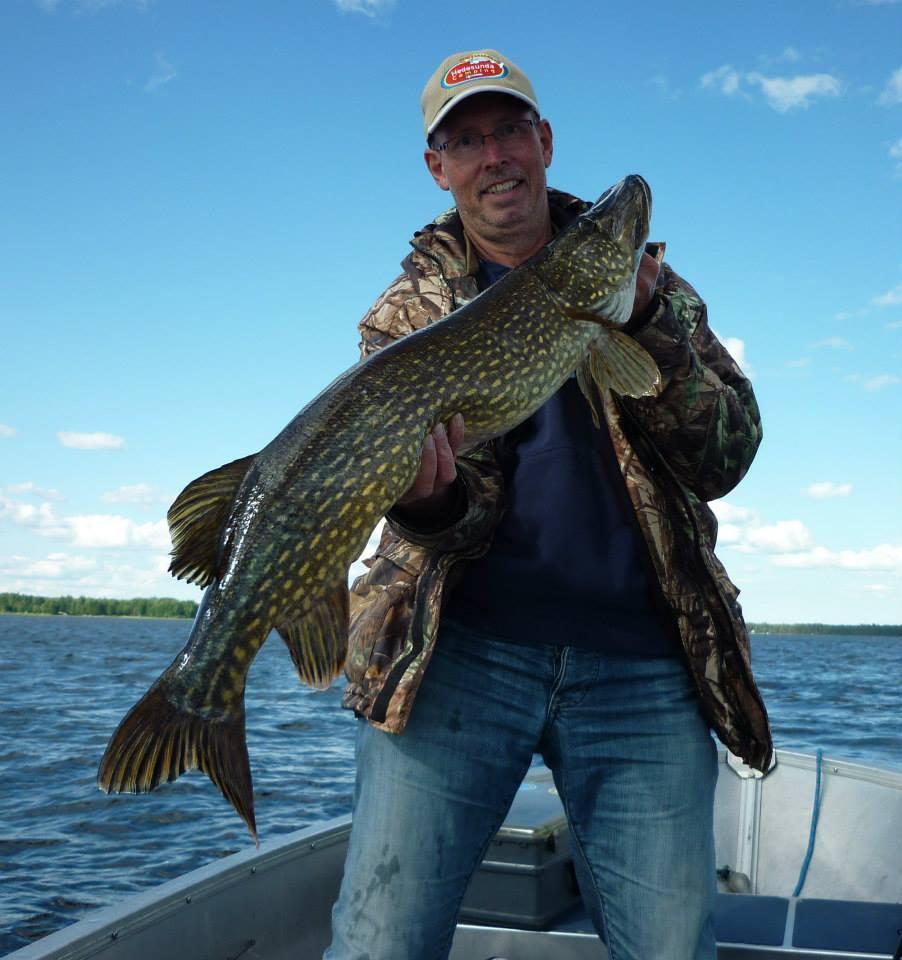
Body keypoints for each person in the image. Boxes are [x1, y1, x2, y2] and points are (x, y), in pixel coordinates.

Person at [324, 49, 772, 960]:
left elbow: (726, 454)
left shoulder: (649, 288)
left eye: (510, 131)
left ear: (545, 142)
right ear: (438, 167)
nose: (494, 156)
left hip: (642, 661)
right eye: (467, 141)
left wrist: (644, 320)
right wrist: (429, 504)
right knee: (381, 945)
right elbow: (453, 518)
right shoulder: (406, 315)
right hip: (458, 656)